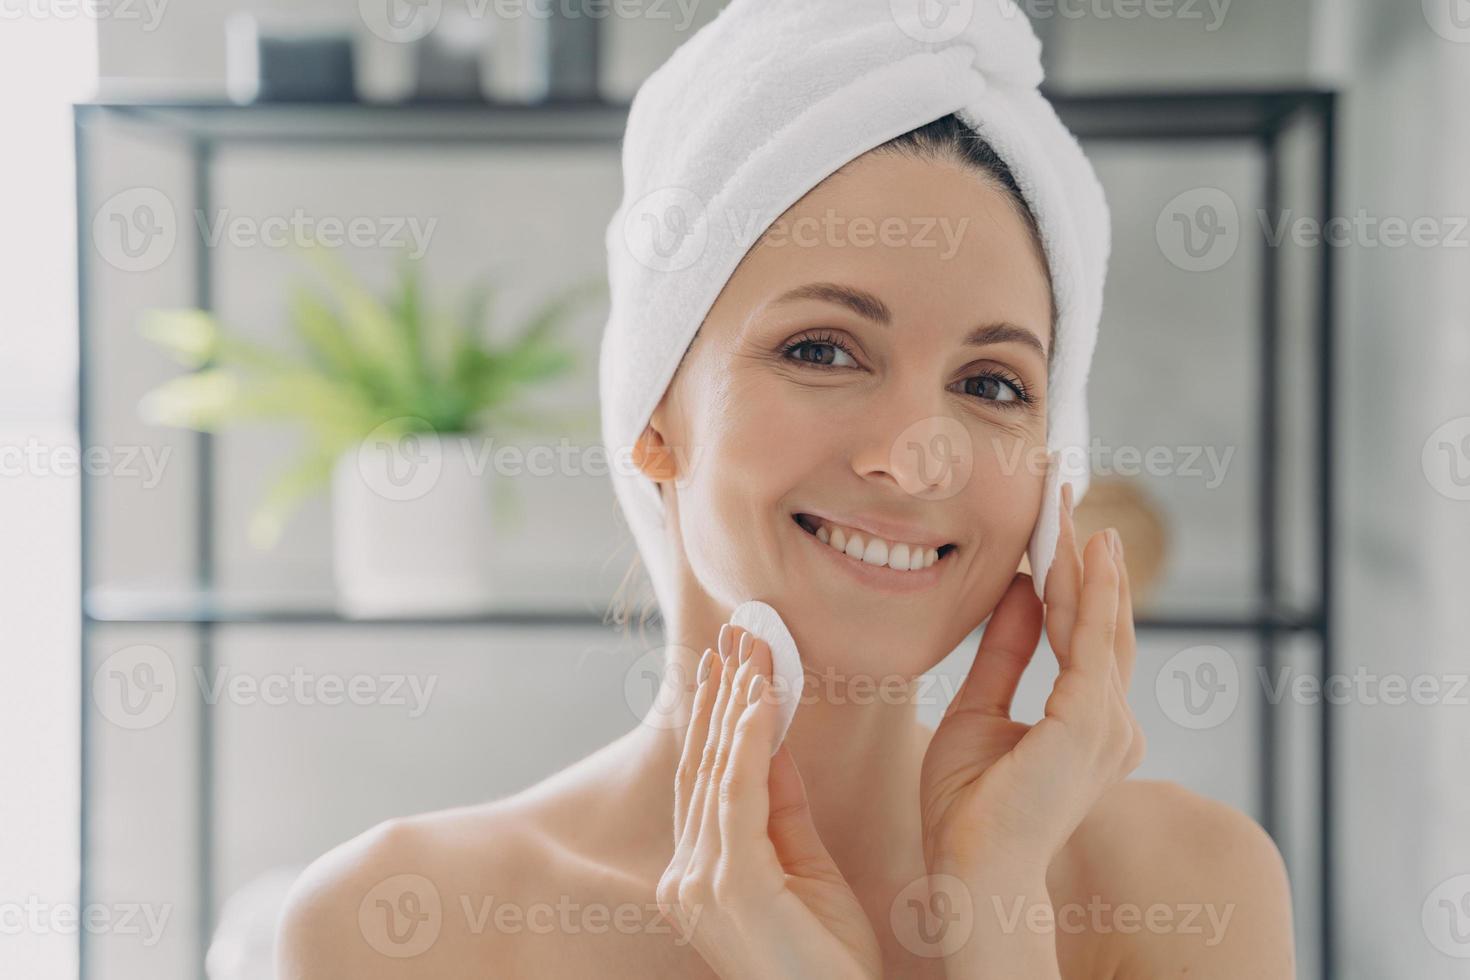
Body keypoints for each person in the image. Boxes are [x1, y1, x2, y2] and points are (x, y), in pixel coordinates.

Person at [275, 106, 1294, 977]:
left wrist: (1000, 926)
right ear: (655, 412)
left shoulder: (1178, 887)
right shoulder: (405, 926)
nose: (917, 456)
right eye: (822, 349)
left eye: (991, 384)